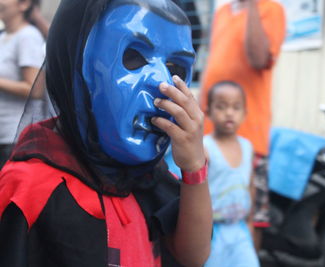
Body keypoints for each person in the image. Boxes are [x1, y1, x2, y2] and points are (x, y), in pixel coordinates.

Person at [0, 0, 212, 266]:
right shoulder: (29, 189)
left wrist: (194, 168)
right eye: (134, 56)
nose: (162, 83)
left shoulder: (149, 179)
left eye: (176, 69)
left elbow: (193, 256)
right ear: (75, 64)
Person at [200, 0, 286, 251]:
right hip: (210, 137)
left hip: (248, 136)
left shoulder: (271, 9)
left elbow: (258, 57)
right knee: (203, 210)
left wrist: (251, 7)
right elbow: (211, 62)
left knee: (251, 215)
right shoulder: (223, 12)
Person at [204, 81, 259, 267]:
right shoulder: (205, 148)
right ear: (208, 112)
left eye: (236, 107)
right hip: (210, 231)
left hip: (239, 228)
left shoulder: (247, 146)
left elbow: (250, 185)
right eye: (221, 107)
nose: (229, 113)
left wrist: (250, 221)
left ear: (244, 113)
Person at [0, 0, 45, 169]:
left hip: (14, 138)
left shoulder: (28, 36)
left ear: (24, 4)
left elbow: (34, 89)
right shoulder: (4, 36)